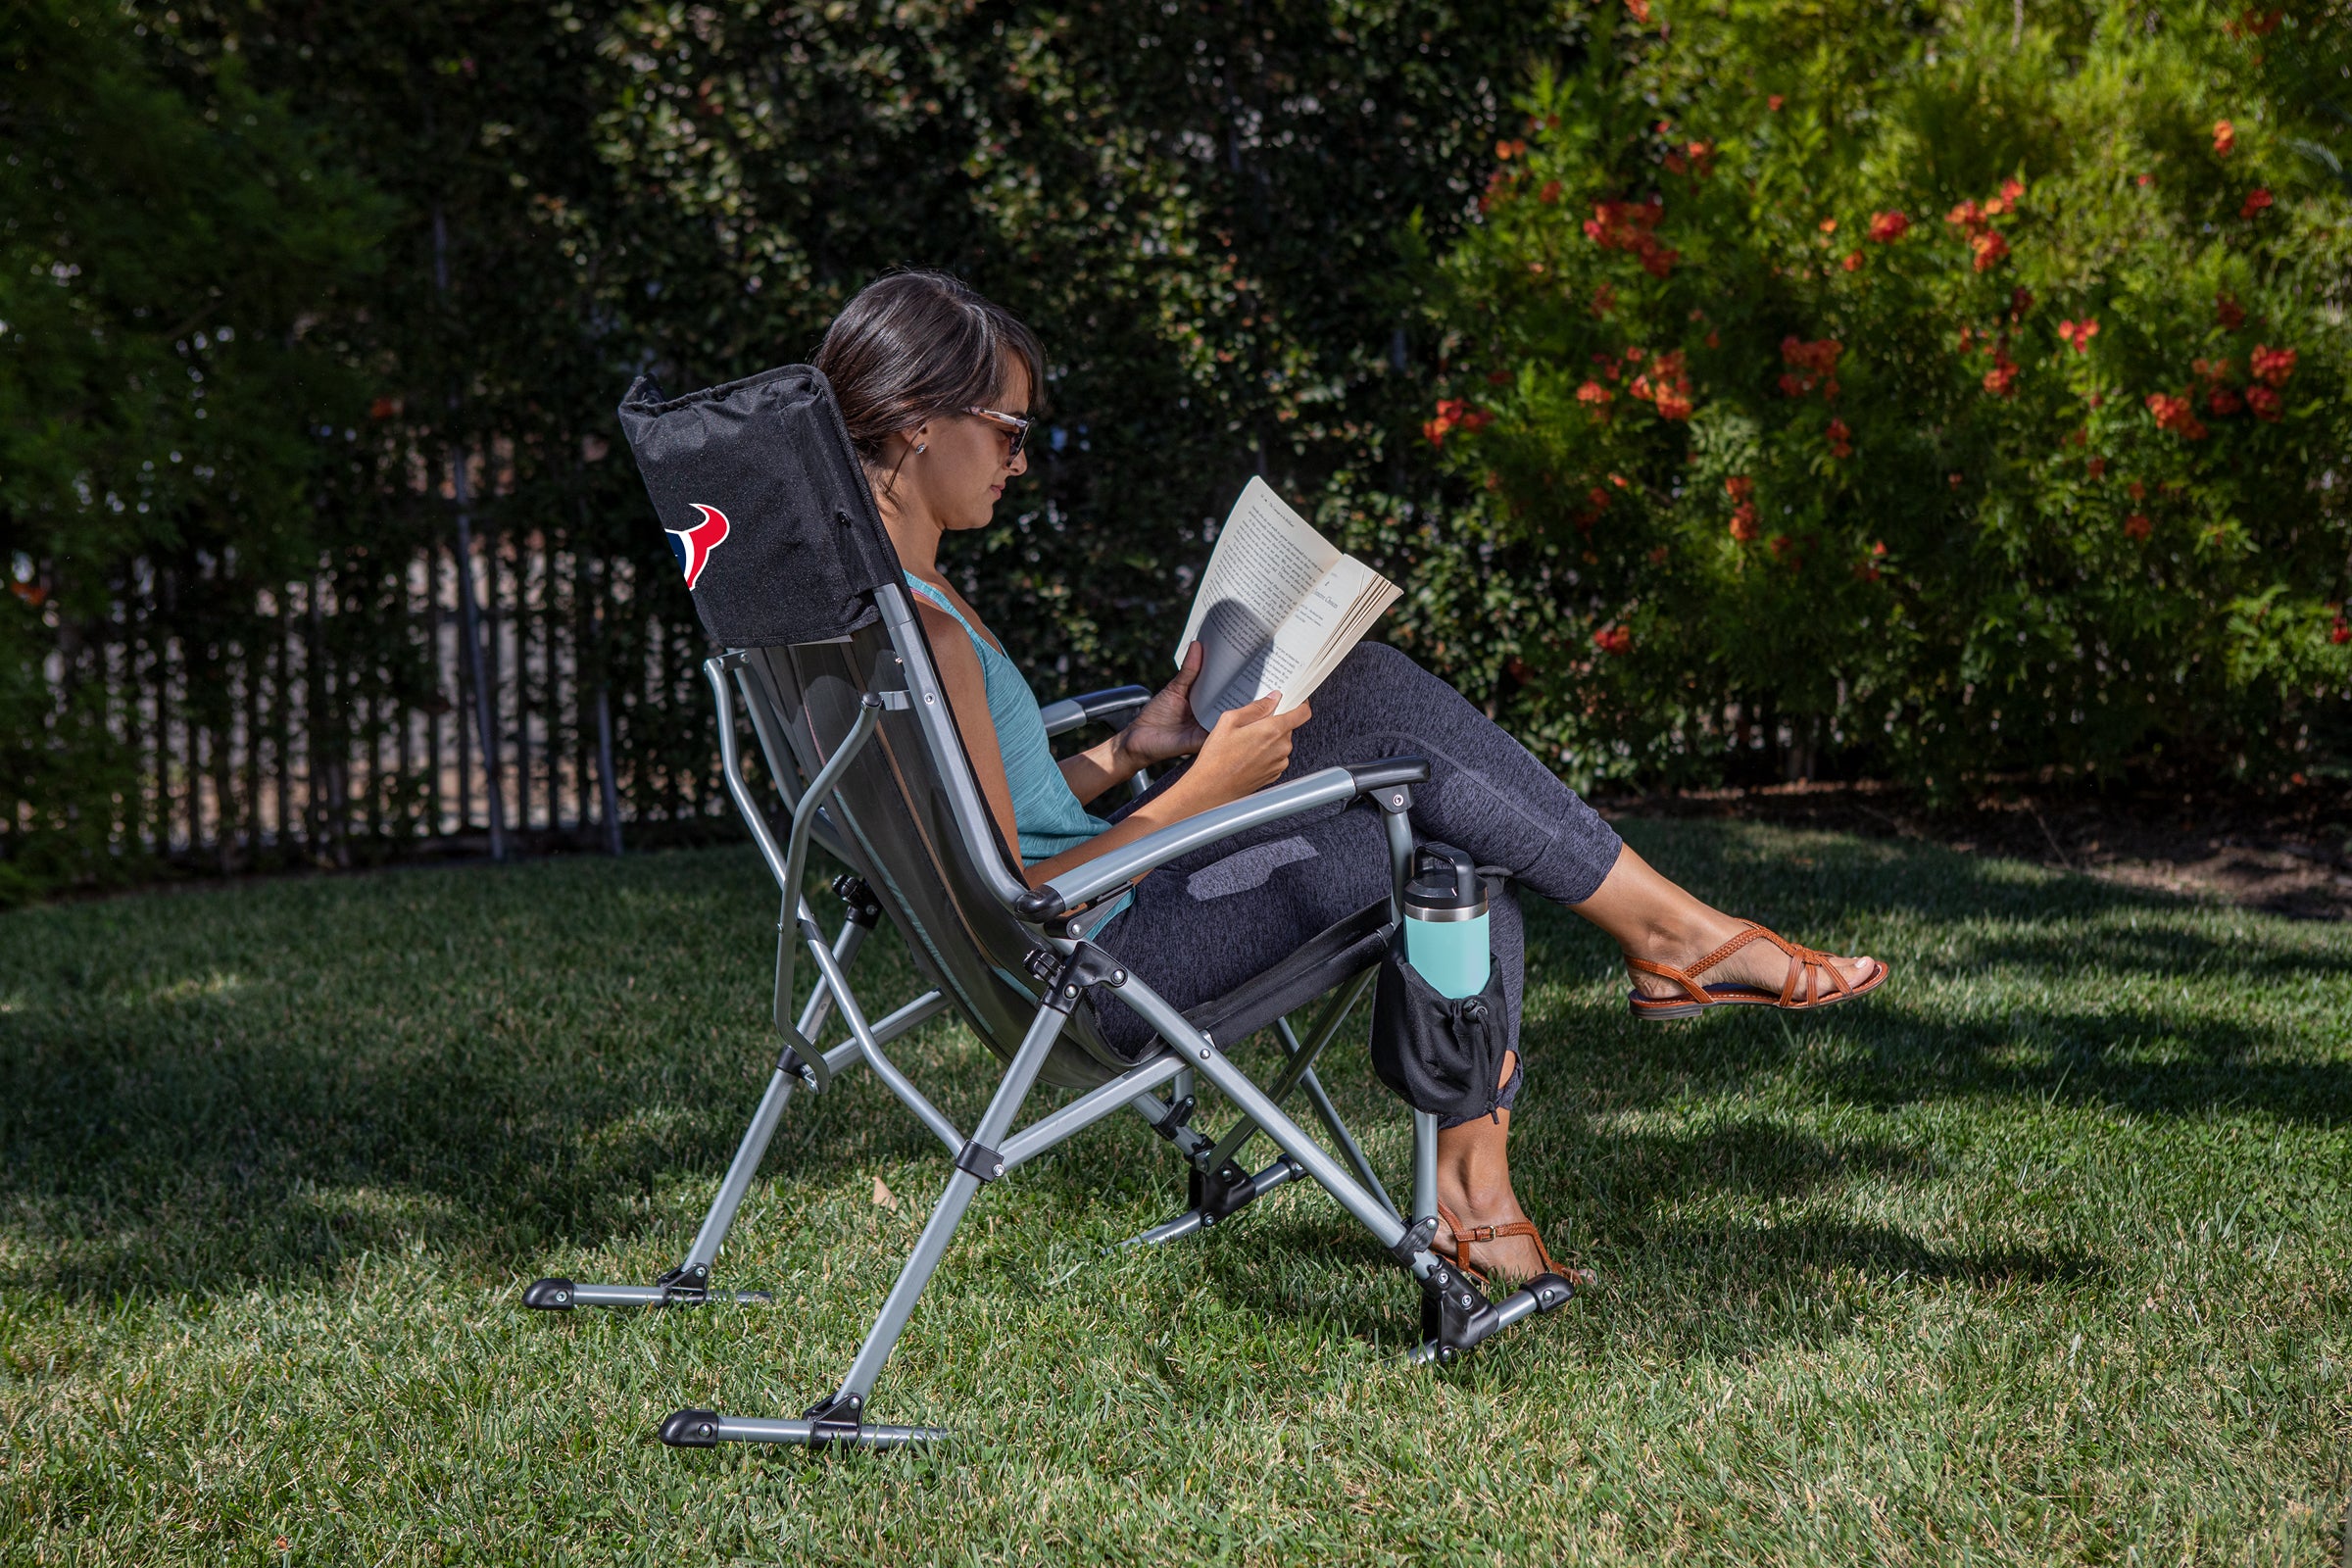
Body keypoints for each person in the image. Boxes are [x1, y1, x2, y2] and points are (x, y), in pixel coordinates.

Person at [814, 271, 1886, 1287]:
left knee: (1395, 737)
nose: (1020, 458)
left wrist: (1141, 750)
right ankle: (1608, 1027)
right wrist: (1208, 789)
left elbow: (991, 819)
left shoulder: (878, 614)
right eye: (1007, 429)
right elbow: (1016, 898)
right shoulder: (927, 636)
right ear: (917, 421)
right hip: (1106, 969)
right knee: (1442, 826)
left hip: (1084, 939)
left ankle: (1596, 1042)